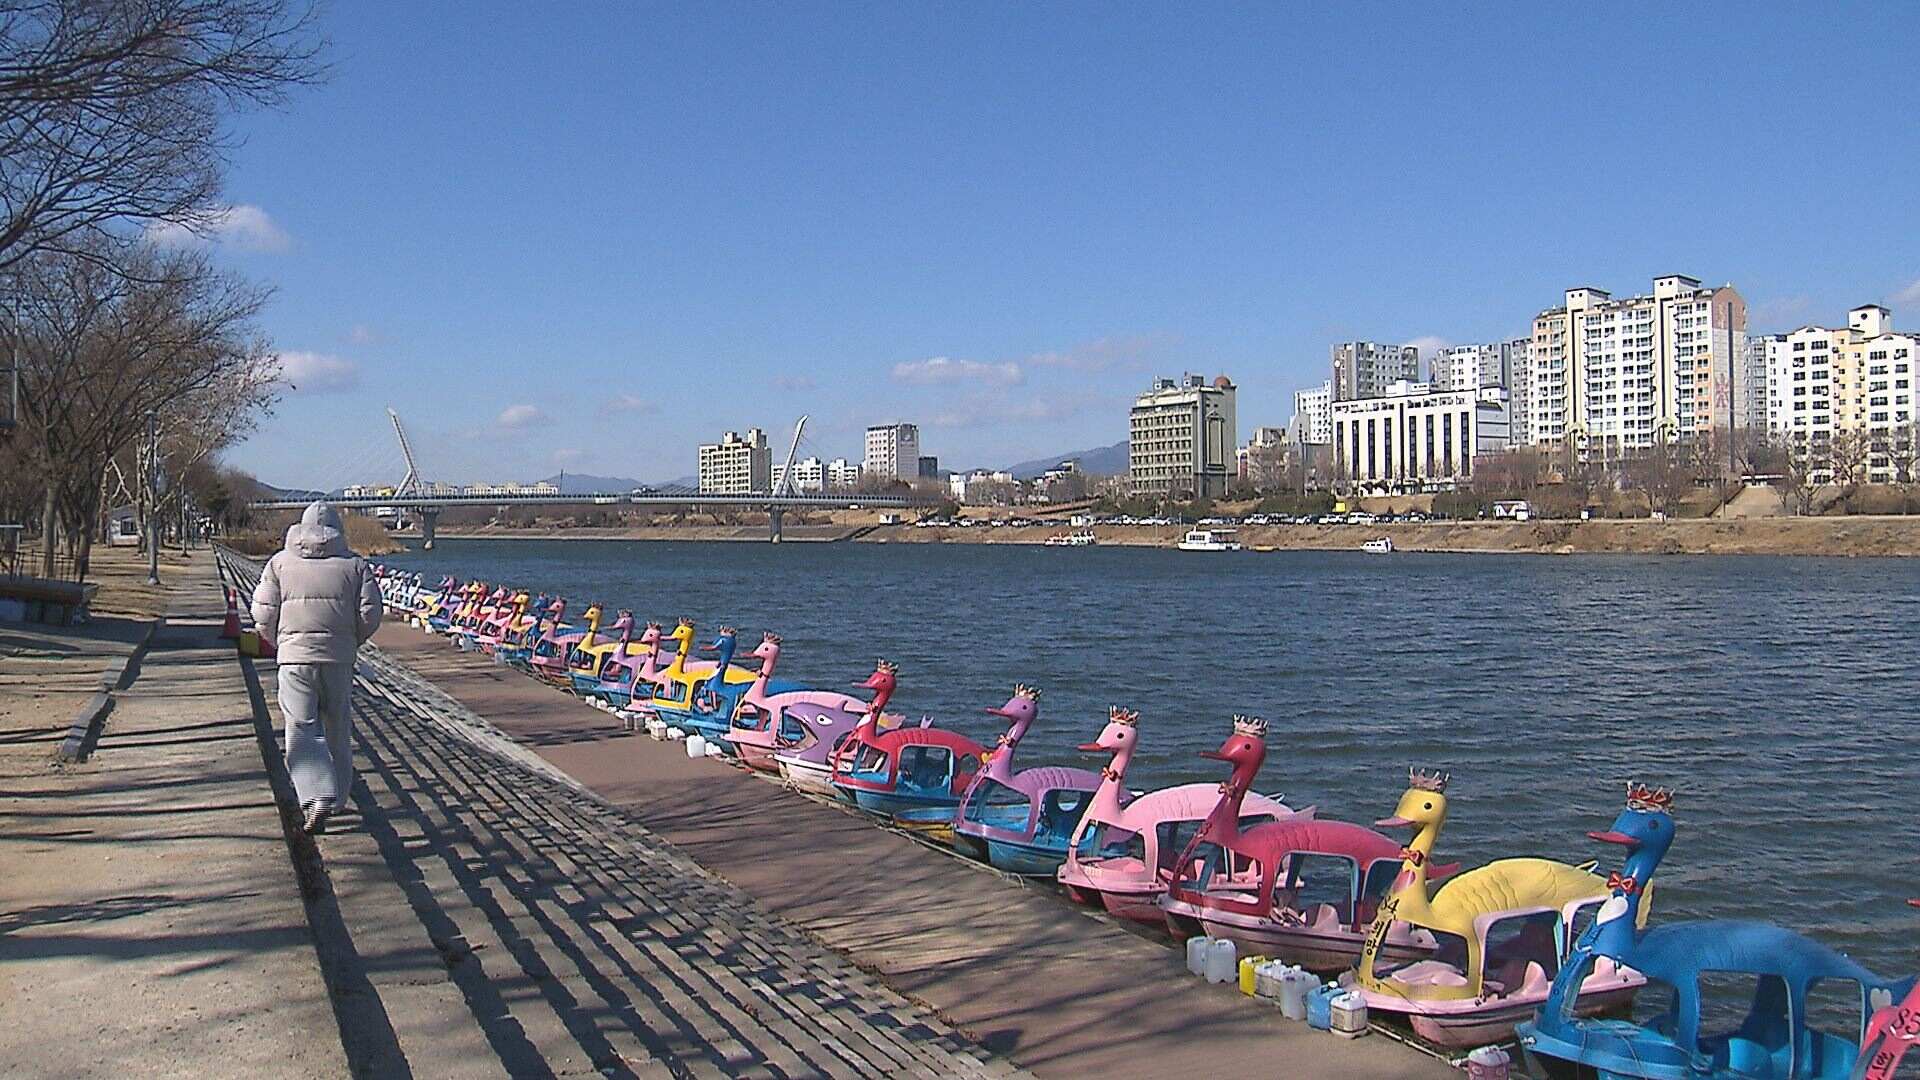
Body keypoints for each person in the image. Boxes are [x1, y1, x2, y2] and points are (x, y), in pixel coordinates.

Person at [252, 501, 382, 834]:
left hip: (294, 658)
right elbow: (370, 614)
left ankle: (314, 795)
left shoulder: (279, 563)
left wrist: (279, 642)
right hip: (339, 659)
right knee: (338, 726)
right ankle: (337, 798)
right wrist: (350, 641)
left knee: (300, 726)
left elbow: (263, 613)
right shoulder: (356, 565)